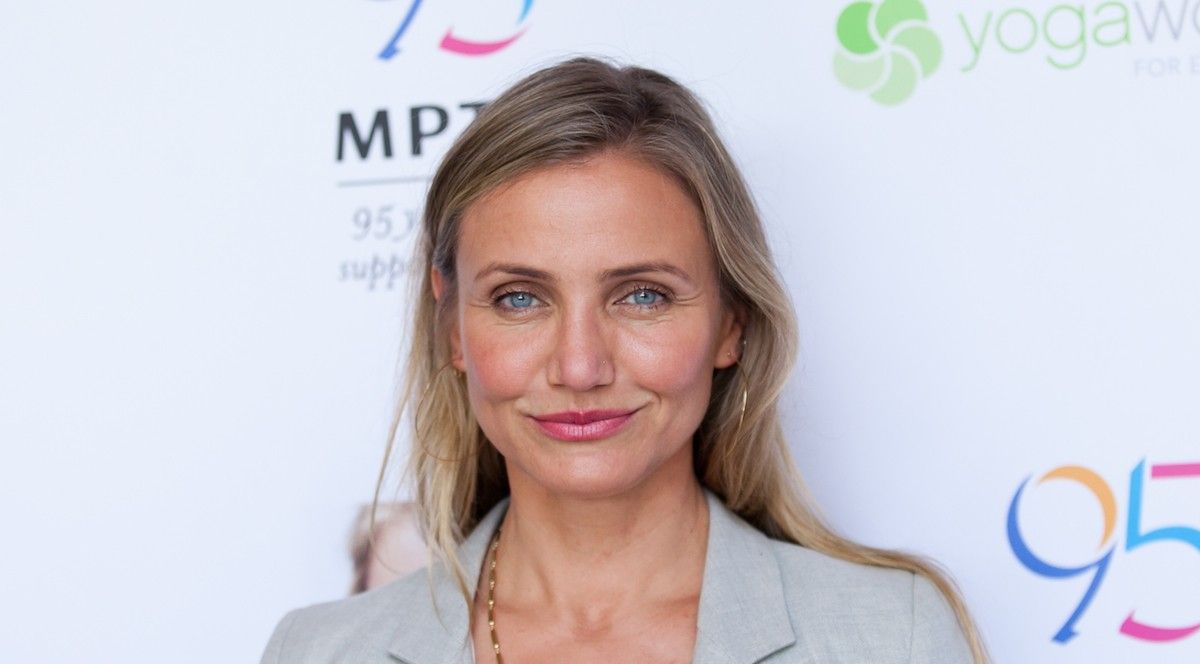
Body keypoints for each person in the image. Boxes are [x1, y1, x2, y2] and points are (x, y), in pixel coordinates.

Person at [260, 57, 988, 663]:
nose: (580, 367)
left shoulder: (893, 638)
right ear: (451, 326)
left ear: (731, 321)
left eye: (642, 295)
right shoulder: (319, 652)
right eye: (520, 298)